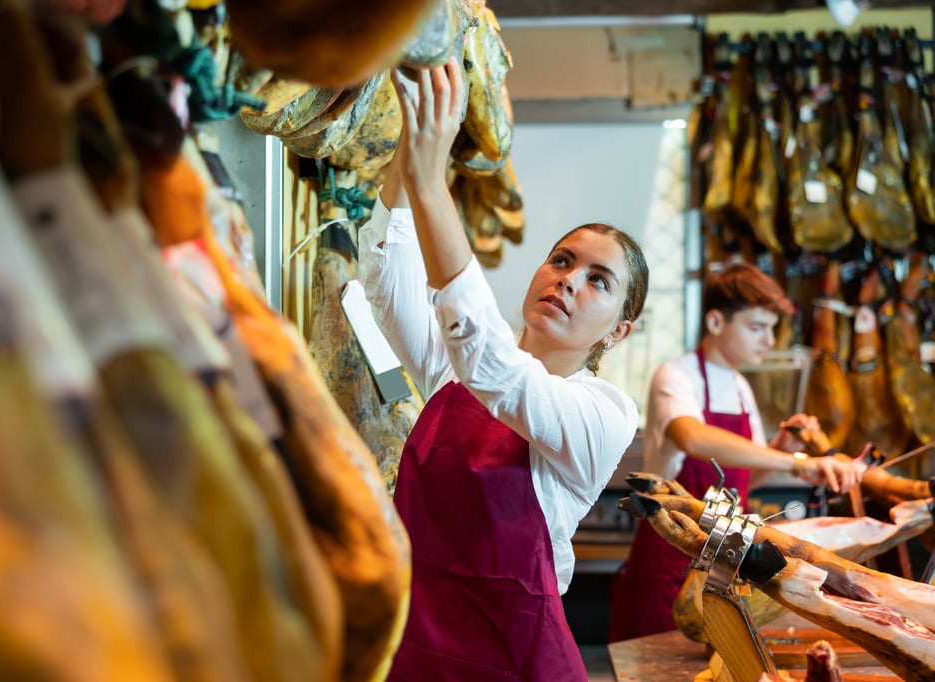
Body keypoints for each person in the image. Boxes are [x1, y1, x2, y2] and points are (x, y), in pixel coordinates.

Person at [357, 58, 649, 681]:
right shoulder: (453, 373)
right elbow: (385, 277)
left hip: (514, 665)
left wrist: (433, 184)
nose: (569, 281)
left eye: (598, 281)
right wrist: (411, 152)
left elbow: (496, 367)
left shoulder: (604, 415)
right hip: (417, 654)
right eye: (562, 261)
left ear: (620, 329)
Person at [607, 261, 864, 643]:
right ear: (715, 322)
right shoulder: (675, 376)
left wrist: (781, 449)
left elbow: (745, 480)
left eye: (772, 329)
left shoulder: (741, 386)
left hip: (724, 564)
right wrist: (798, 463)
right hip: (668, 563)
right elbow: (694, 439)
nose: (768, 340)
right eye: (757, 327)